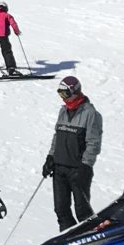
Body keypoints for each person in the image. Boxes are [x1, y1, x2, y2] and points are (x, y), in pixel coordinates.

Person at [46, 74, 103, 228]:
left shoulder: (90, 113)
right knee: (61, 210)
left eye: (65, 94)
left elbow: (94, 142)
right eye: (60, 94)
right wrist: (51, 156)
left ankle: (91, 239)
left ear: (75, 92)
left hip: (78, 169)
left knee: (83, 212)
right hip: (59, 168)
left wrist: (86, 165)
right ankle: (68, 243)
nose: (63, 98)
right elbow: (57, 135)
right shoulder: (63, 111)